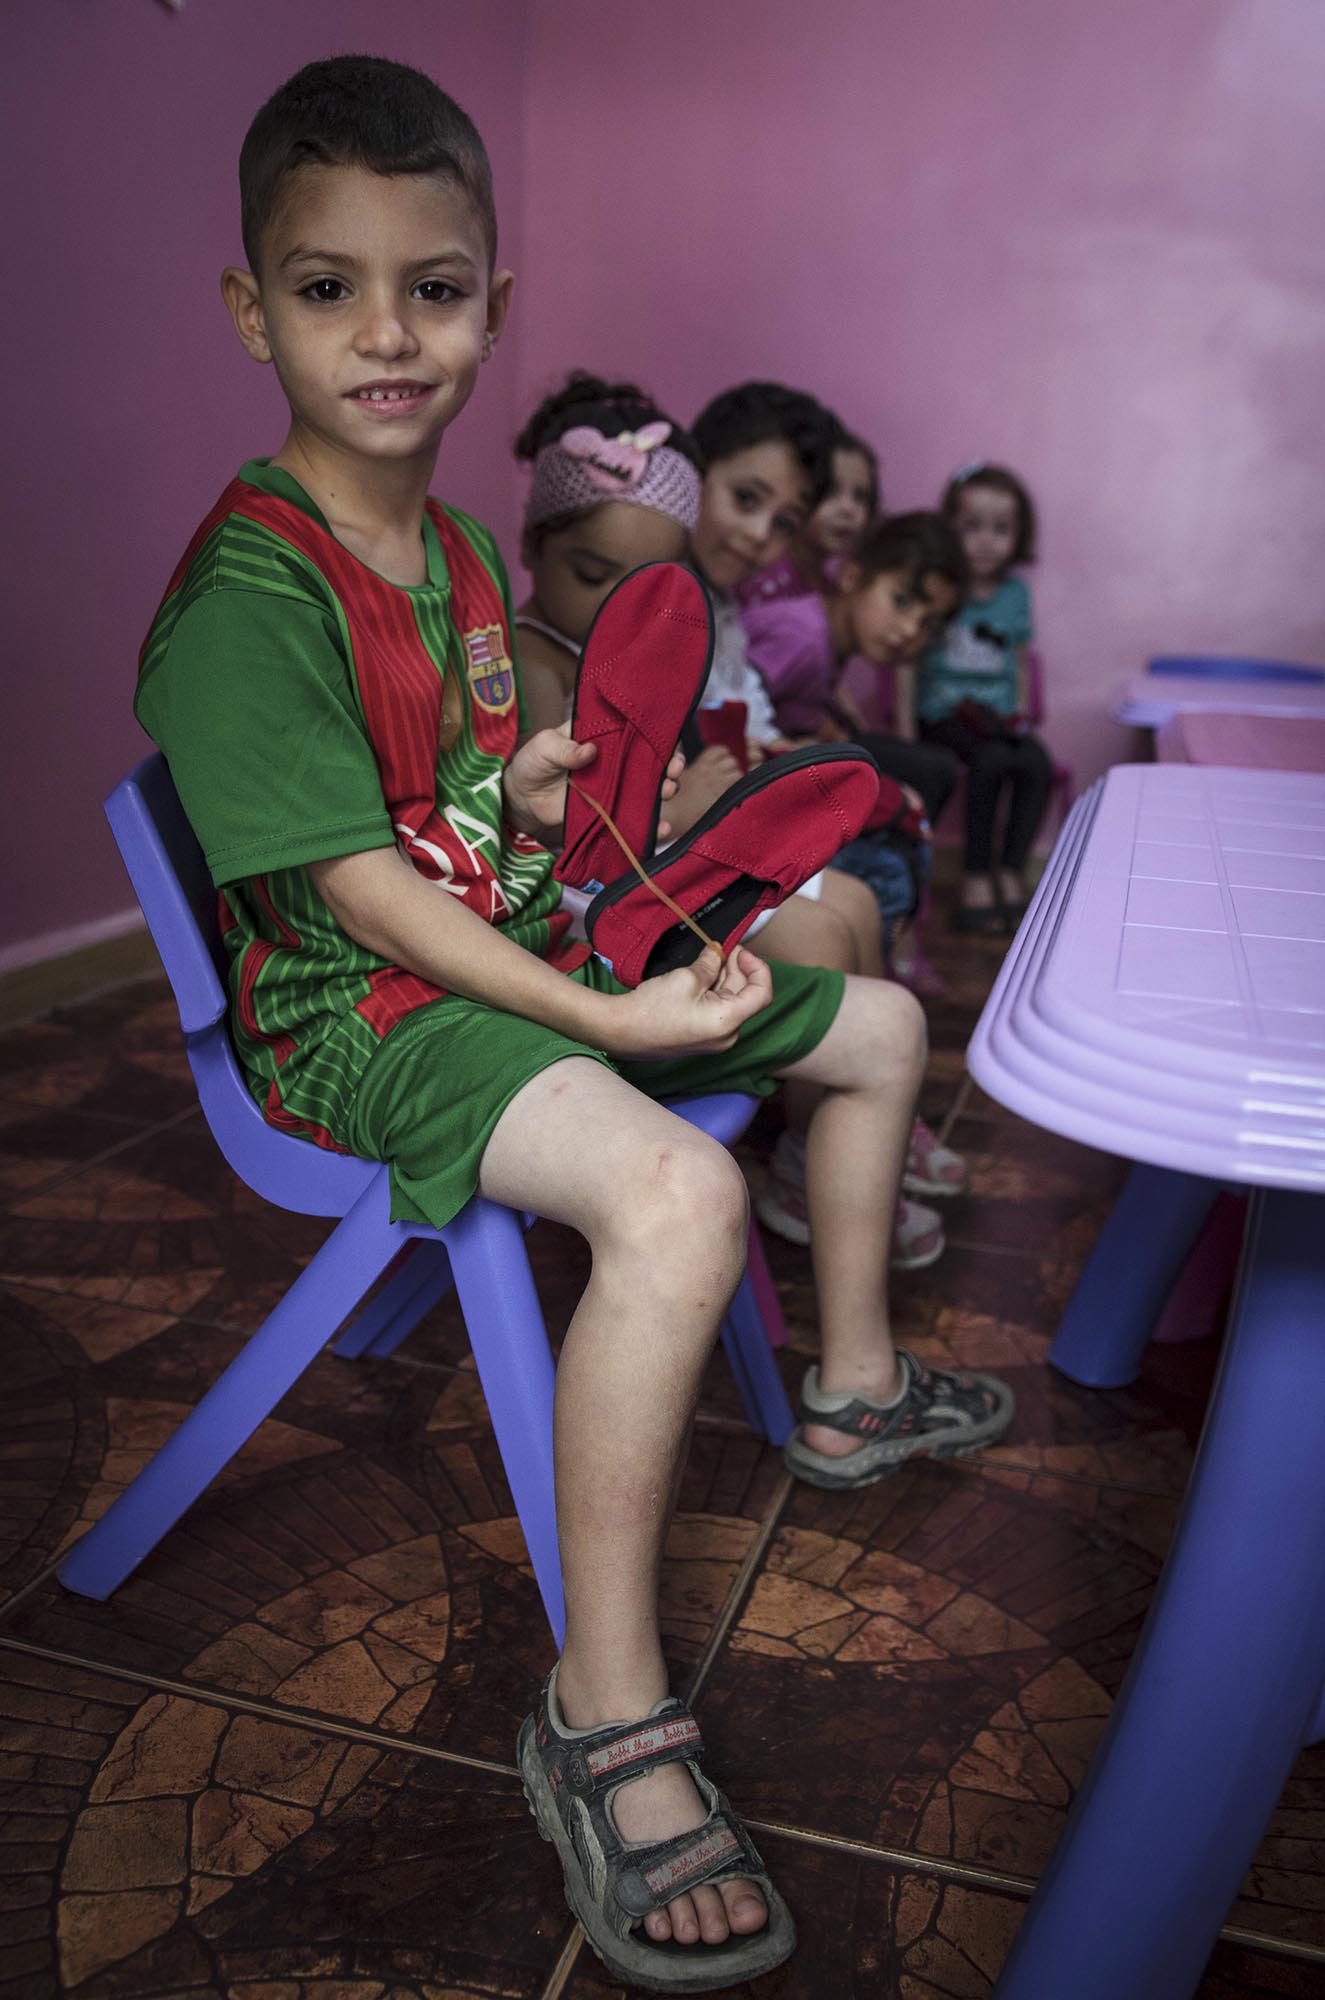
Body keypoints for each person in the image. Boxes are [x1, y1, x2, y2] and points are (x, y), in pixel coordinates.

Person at [133, 57, 1015, 1990]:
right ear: (247, 305)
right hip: (357, 1023)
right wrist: (602, 1018)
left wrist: (540, 812)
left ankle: (855, 1390)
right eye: (327, 286)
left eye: (433, 289)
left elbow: (453, 829)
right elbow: (364, 904)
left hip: (492, 958)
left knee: (866, 1021)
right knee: (683, 1206)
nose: (386, 334)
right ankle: (602, 1708)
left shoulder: (455, 559)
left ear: (492, 306)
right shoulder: (244, 601)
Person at [513, 370, 950, 1268]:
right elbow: (583, 822)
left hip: (661, 859)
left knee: (857, 907)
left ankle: (837, 1144)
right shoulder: (539, 661)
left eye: (782, 517)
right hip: (612, 903)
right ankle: (817, 1154)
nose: (611, 608)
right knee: (826, 931)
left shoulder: (690, 625)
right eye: (745, 499)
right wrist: (697, 800)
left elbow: (687, 756)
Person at [917, 463, 1055, 933]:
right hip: (943, 715)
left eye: (1000, 530)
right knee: (992, 760)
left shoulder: (1015, 595)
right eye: (972, 527)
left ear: (1019, 537)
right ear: (950, 528)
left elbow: (1017, 661)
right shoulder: (940, 588)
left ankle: (1011, 870)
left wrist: (1017, 716)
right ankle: (975, 874)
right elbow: (909, 658)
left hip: (997, 718)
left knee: (1034, 760)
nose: (985, 541)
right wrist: (901, 726)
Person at [737, 425, 881, 607]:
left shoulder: (833, 588)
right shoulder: (763, 576)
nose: (848, 509)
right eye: (830, 492)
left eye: (860, 497)